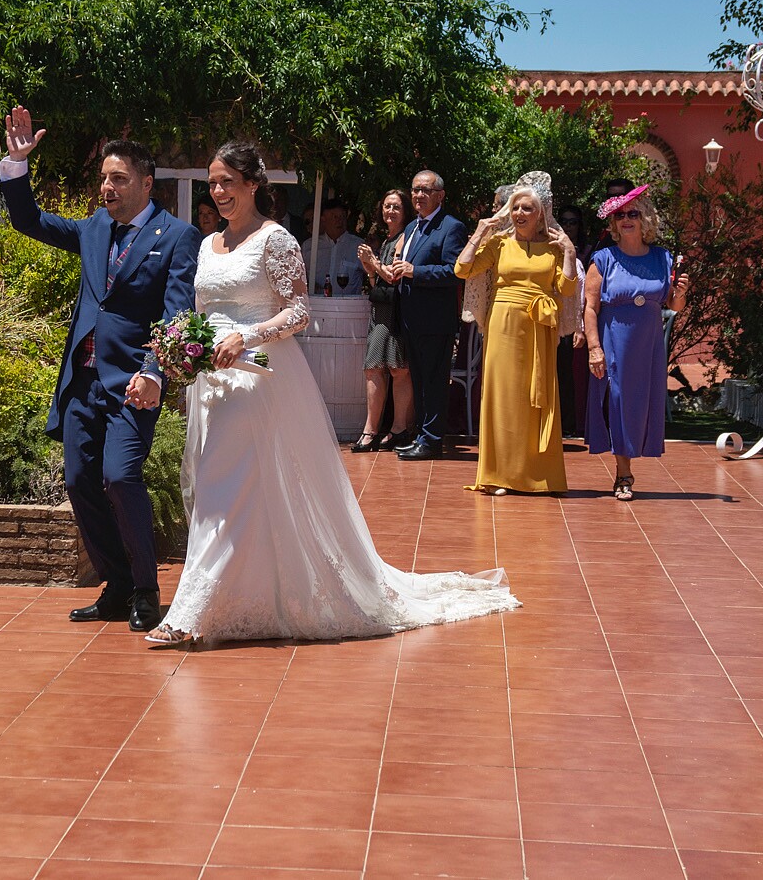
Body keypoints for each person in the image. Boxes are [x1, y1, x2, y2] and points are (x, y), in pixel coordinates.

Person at [146, 142, 521, 646]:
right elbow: (201, 309)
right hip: (212, 384)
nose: (217, 192)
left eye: (226, 182)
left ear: (253, 184)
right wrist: (183, 347)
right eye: (212, 184)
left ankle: (191, 612)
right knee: (237, 490)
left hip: (259, 378)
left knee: (221, 487)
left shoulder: (274, 240)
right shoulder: (210, 244)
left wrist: (246, 336)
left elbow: (299, 312)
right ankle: (247, 595)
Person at [0, 106, 201, 629]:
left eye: (118, 179)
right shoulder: (92, 230)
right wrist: (17, 165)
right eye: (103, 179)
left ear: (146, 183)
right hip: (82, 381)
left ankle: (146, 590)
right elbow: (29, 221)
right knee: (80, 479)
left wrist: (156, 370)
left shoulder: (176, 236)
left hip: (133, 383)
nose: (107, 188)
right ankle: (116, 584)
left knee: (120, 475)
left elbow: (177, 312)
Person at [454, 172, 578, 495]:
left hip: (539, 328)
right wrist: (481, 231)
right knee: (502, 397)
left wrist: (570, 253)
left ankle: (536, 476)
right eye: (516, 208)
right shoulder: (499, 244)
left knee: (535, 399)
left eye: (527, 209)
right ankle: (500, 475)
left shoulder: (553, 248)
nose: (520, 213)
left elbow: (565, 288)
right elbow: (462, 268)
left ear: (540, 215)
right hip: (504, 324)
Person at [584, 185, 689, 500]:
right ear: (613, 224)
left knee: (643, 402)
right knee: (617, 401)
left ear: (646, 219)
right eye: (620, 215)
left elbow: (673, 304)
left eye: (633, 213)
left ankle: (629, 466)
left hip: (649, 342)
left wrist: (681, 293)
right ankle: (623, 474)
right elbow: (589, 307)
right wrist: (594, 348)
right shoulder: (603, 258)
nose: (626, 219)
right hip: (614, 336)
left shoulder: (662, 257)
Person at [390, 170, 468, 461]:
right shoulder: (411, 228)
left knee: (434, 382)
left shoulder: (451, 227)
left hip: (435, 320)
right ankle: (422, 436)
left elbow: (454, 272)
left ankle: (432, 440)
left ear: (440, 195)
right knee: (420, 381)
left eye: (425, 190)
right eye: (415, 190)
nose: (419, 196)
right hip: (411, 317)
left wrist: (415, 271)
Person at [353, 189, 415, 452]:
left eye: (396, 207)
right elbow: (379, 280)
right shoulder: (388, 238)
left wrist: (374, 263)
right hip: (380, 309)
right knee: (377, 367)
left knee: (396, 368)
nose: (390, 211)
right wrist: (370, 269)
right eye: (387, 206)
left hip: (394, 312)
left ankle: (392, 429)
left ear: (405, 211)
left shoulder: (405, 238)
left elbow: (394, 276)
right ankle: (379, 429)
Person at [555, 205, 590, 436]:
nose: (568, 226)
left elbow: (582, 292)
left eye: (573, 222)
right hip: (544, 319)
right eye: (564, 222)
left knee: (563, 374)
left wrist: (579, 327)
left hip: (566, 321)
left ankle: (566, 425)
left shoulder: (585, 251)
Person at [310, 198, 366, 295]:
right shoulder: (310, 246)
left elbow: (373, 274)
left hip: (347, 307)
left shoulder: (359, 246)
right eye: (334, 217)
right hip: (316, 305)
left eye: (342, 217)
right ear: (323, 219)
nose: (339, 221)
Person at [589, 178, 634, 263]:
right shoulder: (605, 234)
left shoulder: (641, 232)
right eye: (610, 197)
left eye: (620, 196)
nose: (614, 201)